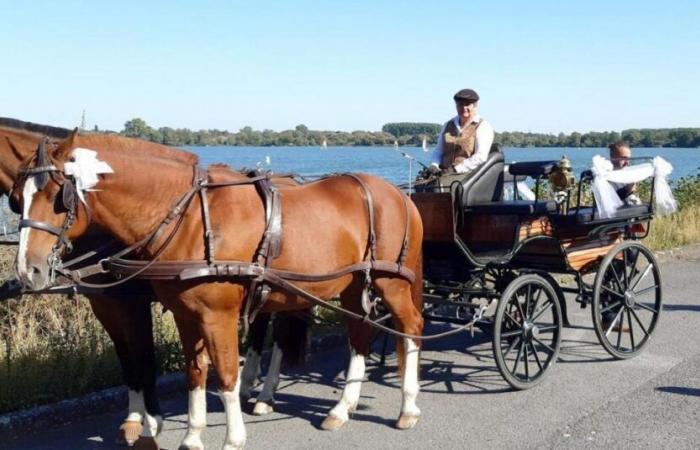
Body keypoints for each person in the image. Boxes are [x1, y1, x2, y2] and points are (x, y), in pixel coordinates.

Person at [427, 88, 495, 178]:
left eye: (467, 105)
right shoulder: (448, 125)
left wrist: (456, 169)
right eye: (460, 104)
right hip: (443, 174)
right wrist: (434, 165)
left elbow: (480, 156)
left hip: (468, 177)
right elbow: (439, 150)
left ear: (475, 106)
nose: (464, 108)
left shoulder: (483, 126)